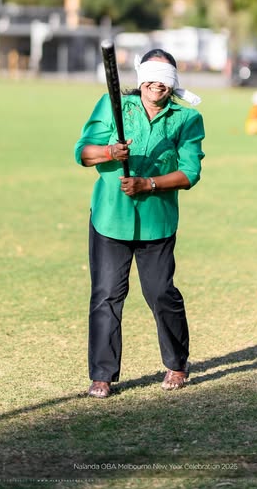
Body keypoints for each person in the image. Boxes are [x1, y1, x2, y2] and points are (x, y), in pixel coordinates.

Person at [74, 49, 205, 398]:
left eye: (164, 79)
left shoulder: (188, 119)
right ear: (139, 78)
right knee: (106, 296)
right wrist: (109, 153)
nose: (155, 84)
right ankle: (102, 375)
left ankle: (177, 364)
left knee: (161, 293)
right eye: (150, 76)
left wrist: (149, 184)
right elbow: (83, 152)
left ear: (172, 83)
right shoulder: (111, 105)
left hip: (156, 223)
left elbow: (190, 172)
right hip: (109, 217)